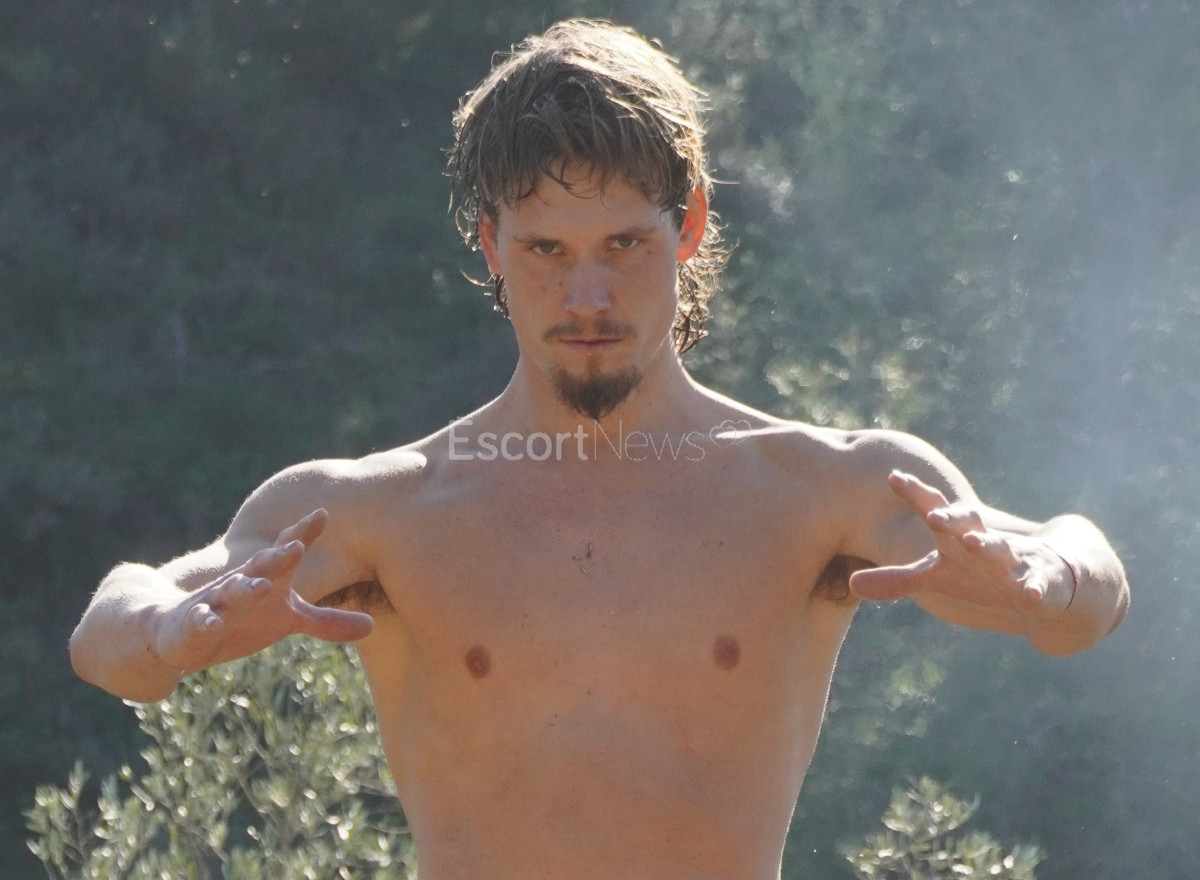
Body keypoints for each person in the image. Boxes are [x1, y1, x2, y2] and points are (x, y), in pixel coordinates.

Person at [70, 19, 1129, 880]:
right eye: (546, 249)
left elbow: (1088, 581)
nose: (587, 295)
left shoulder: (819, 488)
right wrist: (169, 632)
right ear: (491, 243)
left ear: (690, 225)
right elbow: (108, 626)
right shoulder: (384, 512)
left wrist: (1044, 581)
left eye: (625, 243)